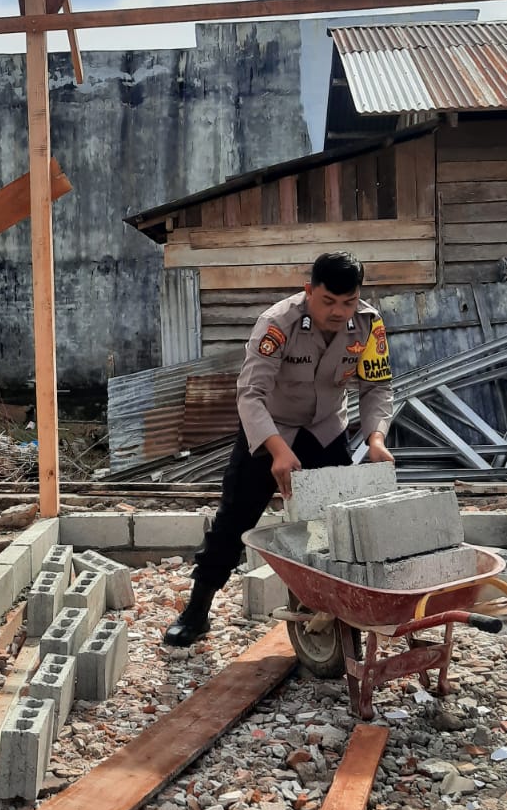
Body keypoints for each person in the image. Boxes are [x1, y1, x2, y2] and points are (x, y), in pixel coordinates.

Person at [164, 251, 395, 647]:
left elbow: (377, 387)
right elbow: (250, 394)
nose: (339, 311)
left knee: (338, 526)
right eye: (328, 301)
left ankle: (337, 617)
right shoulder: (277, 323)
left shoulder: (369, 325)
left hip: (325, 430)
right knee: (234, 521)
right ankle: (197, 611)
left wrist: (375, 439)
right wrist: (277, 450)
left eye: (349, 301)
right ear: (310, 291)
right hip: (271, 430)